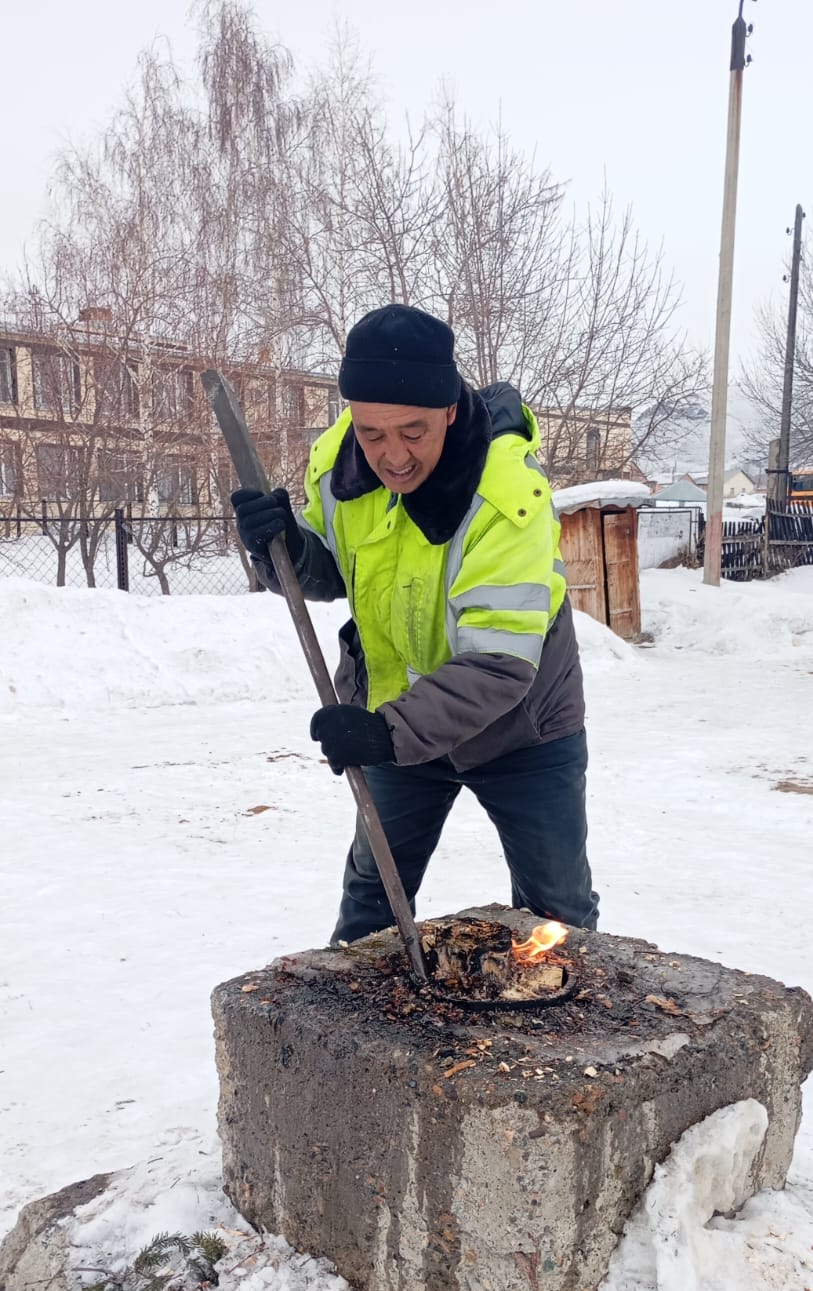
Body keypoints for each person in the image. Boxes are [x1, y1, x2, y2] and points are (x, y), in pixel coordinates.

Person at [232, 304, 598, 944]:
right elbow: (327, 573)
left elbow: (498, 663)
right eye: (372, 432)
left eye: (412, 431)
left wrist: (384, 735)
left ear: (450, 410)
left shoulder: (506, 493)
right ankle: (346, 1036)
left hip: (522, 732)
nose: (391, 457)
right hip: (396, 720)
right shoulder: (337, 465)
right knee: (372, 902)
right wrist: (279, 546)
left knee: (556, 916)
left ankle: (559, 1038)